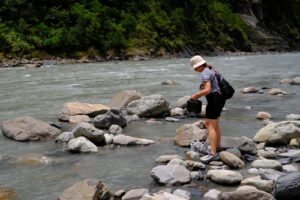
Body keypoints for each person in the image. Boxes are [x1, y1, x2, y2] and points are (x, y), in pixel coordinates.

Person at [189, 55, 226, 163]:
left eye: (195, 67)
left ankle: (213, 153)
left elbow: (207, 90)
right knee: (215, 124)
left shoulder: (205, 72)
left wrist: (196, 95)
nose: (195, 70)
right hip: (220, 98)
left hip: (214, 99)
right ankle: (217, 146)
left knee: (209, 125)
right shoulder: (211, 69)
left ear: (199, 65)